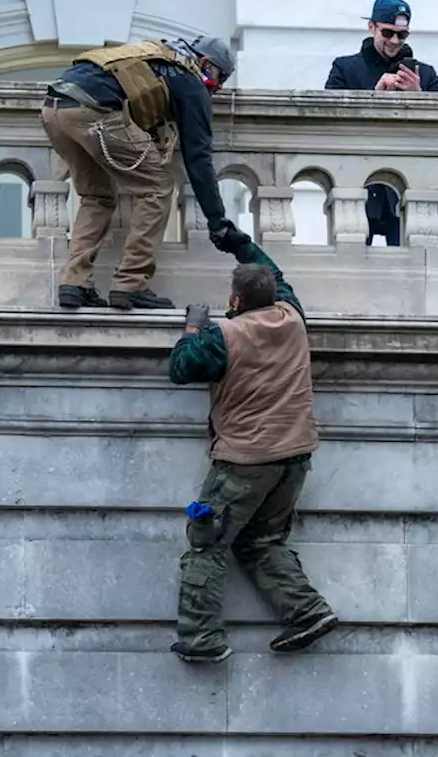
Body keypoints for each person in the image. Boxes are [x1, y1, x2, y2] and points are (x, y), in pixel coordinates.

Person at [166, 223, 337, 663]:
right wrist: (241, 243)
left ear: (235, 302)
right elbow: (273, 272)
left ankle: (200, 639)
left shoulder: (224, 336)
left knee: (207, 543)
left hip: (244, 460)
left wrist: (192, 326)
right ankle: (307, 611)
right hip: (296, 456)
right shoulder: (293, 316)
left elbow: (182, 367)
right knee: (260, 541)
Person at [42, 35, 236, 310]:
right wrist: (217, 220)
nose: (215, 90)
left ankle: (74, 282)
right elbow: (199, 158)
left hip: (54, 109)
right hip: (93, 111)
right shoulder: (190, 80)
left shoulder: (152, 54)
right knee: (157, 188)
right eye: (219, 80)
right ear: (205, 64)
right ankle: (129, 285)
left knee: (97, 196)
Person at [325, 0, 438, 92]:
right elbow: (330, 115)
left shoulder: (427, 75)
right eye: (387, 33)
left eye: (402, 34)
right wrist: (374, 96)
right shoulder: (344, 70)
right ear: (372, 27)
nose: (394, 41)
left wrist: (418, 97)